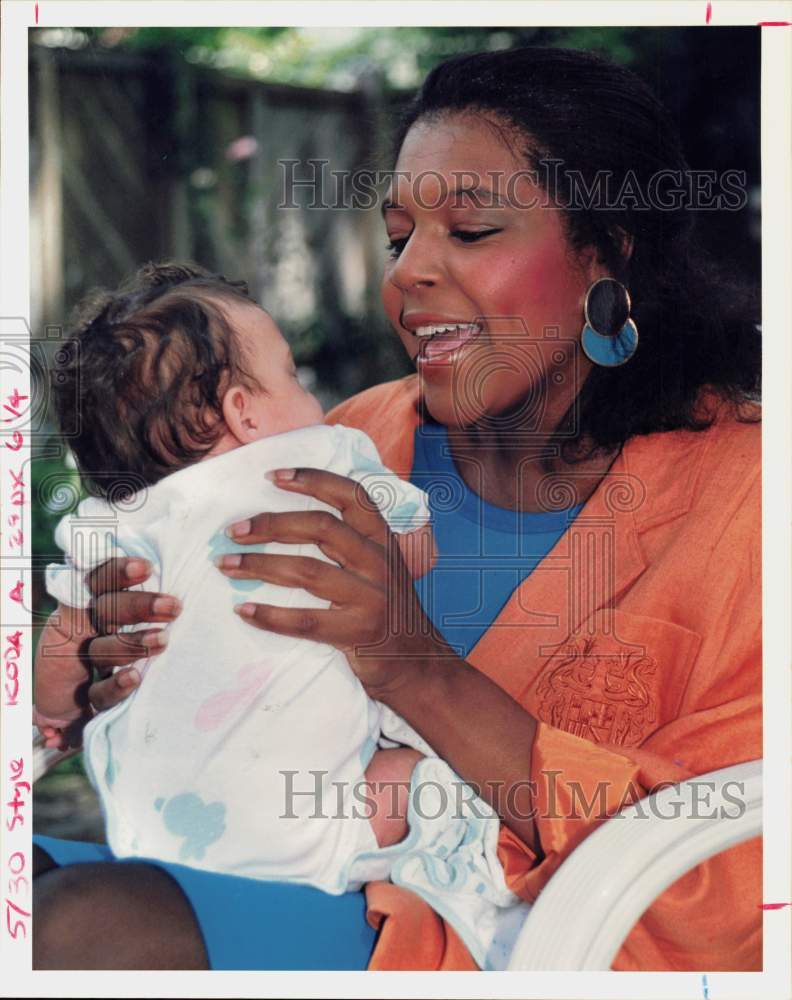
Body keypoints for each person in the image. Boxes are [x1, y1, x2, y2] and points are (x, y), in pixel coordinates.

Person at [33, 46, 761, 972]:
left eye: (468, 231)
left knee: (77, 932)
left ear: (605, 252)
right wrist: (90, 672)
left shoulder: (746, 498)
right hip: (247, 864)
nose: (408, 275)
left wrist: (416, 668)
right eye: (399, 236)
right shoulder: (355, 439)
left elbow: (735, 886)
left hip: (474, 939)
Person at [35, 261, 525, 970]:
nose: (311, 394)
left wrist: (84, 671)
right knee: (425, 775)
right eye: (293, 376)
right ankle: (491, 914)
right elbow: (414, 555)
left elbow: (56, 687)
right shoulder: (326, 456)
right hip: (320, 819)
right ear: (244, 412)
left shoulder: (117, 524)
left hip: (157, 833)